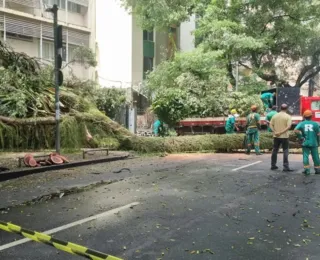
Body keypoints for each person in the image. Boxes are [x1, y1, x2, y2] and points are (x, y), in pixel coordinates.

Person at [294, 110, 320, 175]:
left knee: (305, 156)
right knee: (316, 156)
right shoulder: (315, 124)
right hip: (314, 143)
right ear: (311, 116)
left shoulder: (302, 123)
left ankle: (307, 170)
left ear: (304, 117)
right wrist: (318, 142)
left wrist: (300, 137)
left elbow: (295, 130)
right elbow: (318, 134)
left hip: (305, 142)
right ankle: (317, 170)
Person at [270, 104, 293, 172]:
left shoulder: (275, 115)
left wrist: (275, 132)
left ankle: (273, 165)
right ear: (286, 109)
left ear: (280, 108)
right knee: (285, 151)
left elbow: (270, 124)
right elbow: (289, 127)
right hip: (285, 137)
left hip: (276, 136)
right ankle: (285, 167)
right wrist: (281, 132)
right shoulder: (288, 116)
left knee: (275, 150)